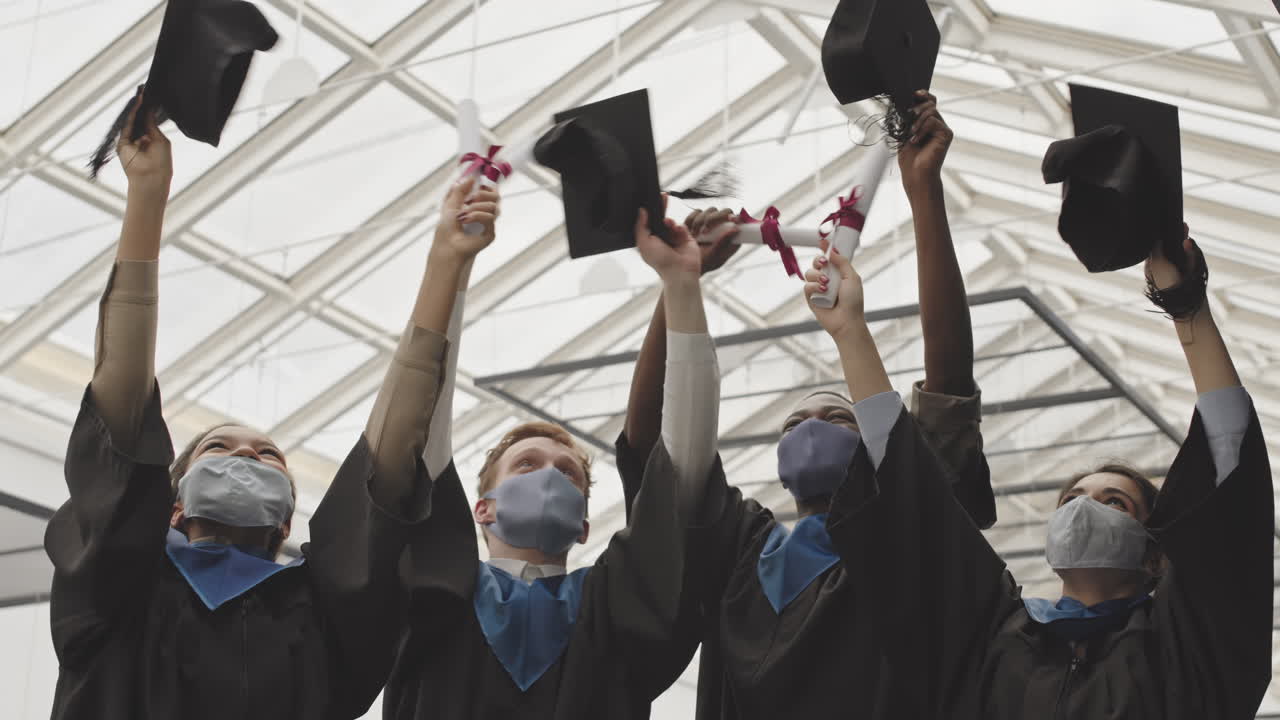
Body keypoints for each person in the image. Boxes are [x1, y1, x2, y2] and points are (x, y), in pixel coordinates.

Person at [42, 96, 499, 720]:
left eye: (267, 457)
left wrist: (445, 262)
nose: (246, 458)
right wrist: (146, 197)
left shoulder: (323, 616)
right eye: (219, 449)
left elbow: (387, 468)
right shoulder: (120, 586)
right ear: (173, 506)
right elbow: (119, 416)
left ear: (287, 522)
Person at [614, 92, 996, 718]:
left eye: (838, 418)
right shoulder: (739, 552)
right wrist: (679, 285)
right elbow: (653, 446)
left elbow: (949, 388)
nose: (813, 426)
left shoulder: (910, 527)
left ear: (878, 451)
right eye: (795, 424)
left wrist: (924, 193)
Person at [841, 226, 1273, 719]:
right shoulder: (992, 639)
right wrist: (850, 331)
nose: (1085, 507)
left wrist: (1187, 308)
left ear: (1156, 556)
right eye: (1072, 499)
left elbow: (1228, 463)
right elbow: (910, 500)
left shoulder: (1182, 649)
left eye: (1115, 502)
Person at [382, 199, 721, 719]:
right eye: (526, 464)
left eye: (568, 473)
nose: (550, 475)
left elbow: (682, 472)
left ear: (583, 526)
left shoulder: (614, 605)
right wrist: (452, 266)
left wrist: (682, 287)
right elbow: (421, 432)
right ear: (482, 508)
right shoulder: (433, 590)